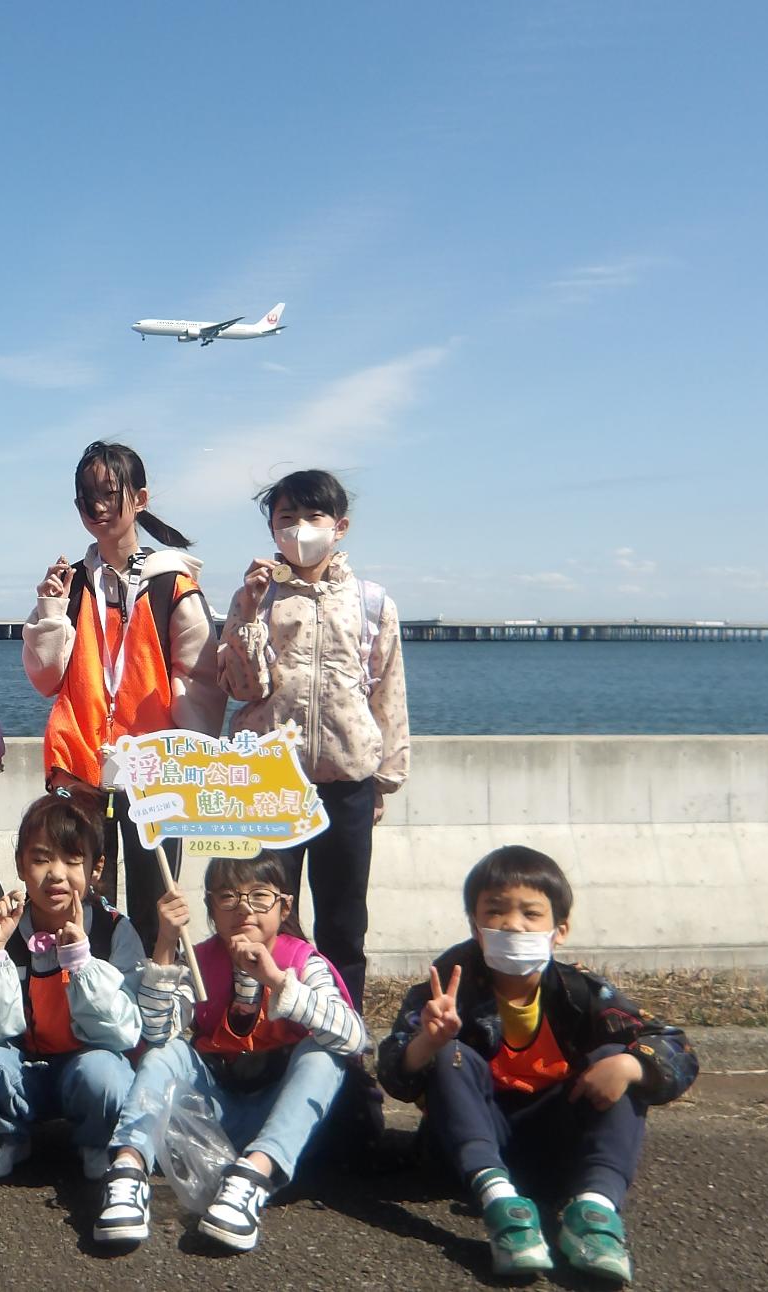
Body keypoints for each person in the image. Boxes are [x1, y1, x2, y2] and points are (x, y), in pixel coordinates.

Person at [377, 845, 699, 1284]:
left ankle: (596, 1211)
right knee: (451, 1052)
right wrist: (427, 1043)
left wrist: (632, 1066)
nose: (512, 923)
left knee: (620, 1057)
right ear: (475, 924)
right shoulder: (444, 991)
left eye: (531, 914)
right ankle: (502, 1206)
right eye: (495, 911)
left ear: (559, 930)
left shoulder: (579, 992)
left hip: (557, 1151)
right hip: (466, 1151)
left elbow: (674, 1047)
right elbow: (394, 1072)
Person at [95, 852, 367, 1254]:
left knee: (323, 1056)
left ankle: (252, 1178)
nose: (244, 910)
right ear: (209, 907)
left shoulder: (303, 962)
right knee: (166, 1053)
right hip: (213, 1110)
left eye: (260, 896)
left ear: (284, 905)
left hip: (277, 1115)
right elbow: (156, 1031)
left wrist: (276, 980)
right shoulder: (200, 959)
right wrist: (167, 944)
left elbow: (356, 1037)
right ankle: (129, 1169)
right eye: (228, 898)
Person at [217, 468, 408, 1012]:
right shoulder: (255, 598)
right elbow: (240, 686)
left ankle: (338, 1029)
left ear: (340, 526)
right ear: (273, 531)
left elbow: (388, 694)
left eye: (313, 516)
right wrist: (250, 611)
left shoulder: (372, 602)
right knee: (261, 915)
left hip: (348, 782)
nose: (300, 528)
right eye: (286, 518)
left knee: (344, 919)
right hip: (269, 780)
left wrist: (384, 782)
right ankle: (258, 1029)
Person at [23, 440, 223, 952]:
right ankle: (85, 1012)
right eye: (87, 497)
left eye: (109, 494)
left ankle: (157, 1010)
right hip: (79, 768)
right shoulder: (70, 585)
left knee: (158, 900)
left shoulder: (173, 584)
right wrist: (48, 608)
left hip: (156, 772)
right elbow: (45, 678)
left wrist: (183, 752)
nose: (98, 508)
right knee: (83, 904)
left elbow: (200, 678)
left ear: (140, 497)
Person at [0, 793, 145, 1182]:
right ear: (21, 866)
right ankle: (5, 1136)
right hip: (23, 1067)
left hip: (84, 1066)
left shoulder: (116, 932)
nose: (56, 874)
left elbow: (122, 1034)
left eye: (72, 860)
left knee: (108, 1074)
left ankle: (95, 1142)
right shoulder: (1, 929)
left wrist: (80, 961)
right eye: (41, 859)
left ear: (96, 869)